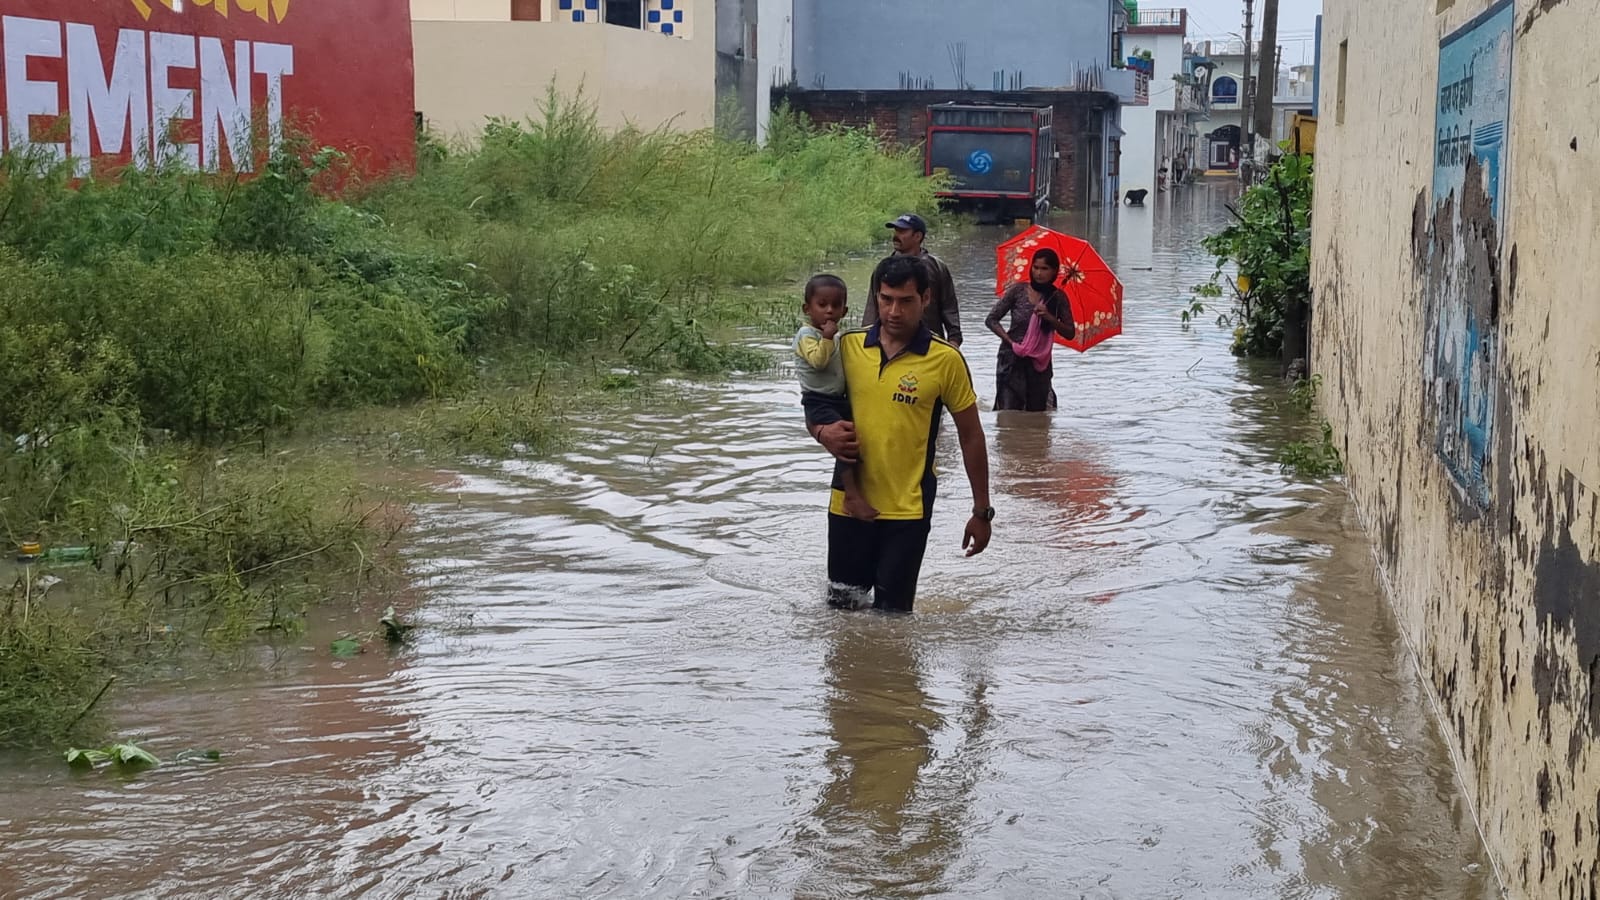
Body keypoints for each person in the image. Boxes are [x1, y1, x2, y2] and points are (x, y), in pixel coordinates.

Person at [809, 255, 993, 612]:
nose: (893, 311)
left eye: (905, 301)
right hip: (848, 502)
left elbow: (971, 436)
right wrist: (821, 432)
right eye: (885, 299)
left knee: (893, 618)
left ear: (925, 299)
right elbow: (814, 404)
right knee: (842, 615)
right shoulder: (846, 348)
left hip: (908, 510)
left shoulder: (946, 360)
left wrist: (981, 512)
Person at [793, 274, 876, 521]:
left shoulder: (840, 337)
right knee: (846, 444)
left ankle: (857, 491)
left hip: (838, 398)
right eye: (822, 305)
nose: (829, 311)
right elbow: (818, 362)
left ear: (845, 310)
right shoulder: (806, 335)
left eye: (836, 306)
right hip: (817, 400)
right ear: (807, 308)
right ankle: (851, 494)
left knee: (857, 439)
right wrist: (828, 337)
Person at [986, 248, 1076, 412]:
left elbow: (1070, 333)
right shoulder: (1018, 291)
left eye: (1044, 269)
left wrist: (1049, 317)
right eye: (1035, 267)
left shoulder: (1058, 298)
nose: (1039, 273)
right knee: (1008, 412)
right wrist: (1010, 342)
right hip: (1011, 359)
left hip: (1039, 363)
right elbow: (991, 320)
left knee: (1036, 414)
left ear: (1054, 271)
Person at [862, 213, 963, 347]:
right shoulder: (883, 268)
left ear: (918, 236)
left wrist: (954, 341)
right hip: (889, 345)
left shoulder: (936, 267)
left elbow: (949, 308)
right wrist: (866, 340)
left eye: (902, 231)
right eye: (896, 231)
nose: (896, 235)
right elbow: (872, 309)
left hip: (929, 345)